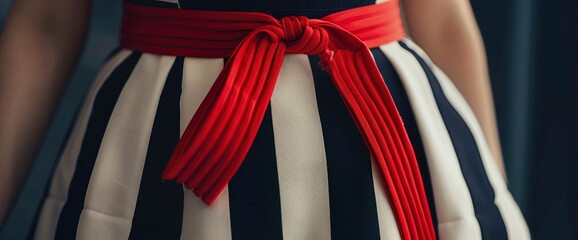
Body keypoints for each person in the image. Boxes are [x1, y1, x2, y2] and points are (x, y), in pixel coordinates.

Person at [0, 0, 530, 239]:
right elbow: (45, 20)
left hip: (386, 149)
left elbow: (443, 17)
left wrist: (491, 206)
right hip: (156, 150)